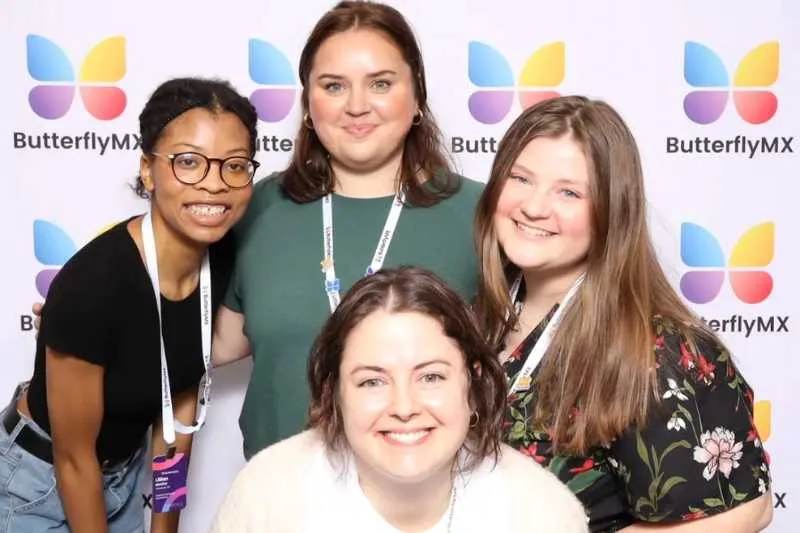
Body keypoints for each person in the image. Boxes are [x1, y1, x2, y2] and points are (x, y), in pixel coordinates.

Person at [473, 95, 773, 532]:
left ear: (611, 210)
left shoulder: (659, 350)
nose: (534, 207)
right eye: (520, 178)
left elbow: (744, 511)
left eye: (569, 192)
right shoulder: (479, 318)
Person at [213, 0, 483, 459]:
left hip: (425, 491)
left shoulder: (481, 213)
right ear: (308, 102)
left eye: (381, 83)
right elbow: (220, 341)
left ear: (417, 96)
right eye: (334, 86)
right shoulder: (258, 206)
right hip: (280, 490)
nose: (357, 106)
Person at [1, 77, 258, 532]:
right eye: (188, 162)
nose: (214, 184)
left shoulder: (219, 255)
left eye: (234, 166)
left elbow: (179, 417)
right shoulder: (94, 286)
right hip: (37, 484)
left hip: (123, 476)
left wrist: (164, 527)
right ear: (148, 170)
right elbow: (74, 459)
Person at [210, 266, 589, 532]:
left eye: (431, 377)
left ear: (472, 384)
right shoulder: (267, 497)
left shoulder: (542, 513)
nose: (404, 408)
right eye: (372, 381)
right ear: (334, 393)